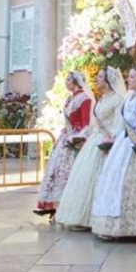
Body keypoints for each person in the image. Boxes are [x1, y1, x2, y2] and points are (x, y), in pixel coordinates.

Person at [91, 65, 136, 240]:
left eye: (132, 77)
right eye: (129, 77)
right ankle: (113, 227)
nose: (128, 80)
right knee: (114, 180)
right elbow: (122, 123)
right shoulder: (128, 98)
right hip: (124, 143)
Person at [55, 66, 126, 230]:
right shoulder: (102, 98)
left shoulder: (118, 99)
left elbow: (118, 123)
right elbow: (95, 122)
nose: (97, 80)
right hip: (96, 139)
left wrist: (112, 140)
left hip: (107, 140)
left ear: (108, 81)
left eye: (100, 77)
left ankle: (96, 219)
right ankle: (81, 217)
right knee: (84, 176)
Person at [34, 71, 93, 217]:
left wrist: (77, 138)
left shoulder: (85, 99)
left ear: (76, 82)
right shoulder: (69, 99)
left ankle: (67, 205)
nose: (66, 83)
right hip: (66, 137)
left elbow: (86, 123)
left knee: (69, 172)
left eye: (68, 80)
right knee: (56, 170)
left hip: (76, 139)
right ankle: (53, 204)